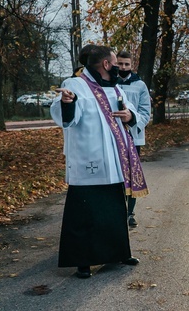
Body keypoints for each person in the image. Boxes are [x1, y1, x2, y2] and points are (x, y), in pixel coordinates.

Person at [51, 45, 147, 279]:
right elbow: (66, 119)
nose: (117, 68)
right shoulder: (75, 85)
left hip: (113, 160)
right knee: (84, 212)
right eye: (115, 63)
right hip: (88, 160)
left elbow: (133, 112)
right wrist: (67, 103)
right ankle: (82, 261)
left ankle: (118, 252)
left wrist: (130, 116)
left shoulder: (114, 88)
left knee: (114, 209)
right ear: (106, 64)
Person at [117, 50, 151, 228]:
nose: (123, 67)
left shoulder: (140, 85)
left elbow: (146, 113)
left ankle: (130, 213)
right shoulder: (108, 83)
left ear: (132, 65)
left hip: (133, 137)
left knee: (131, 175)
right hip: (113, 138)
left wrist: (132, 119)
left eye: (126, 64)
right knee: (116, 176)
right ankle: (116, 211)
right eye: (120, 64)